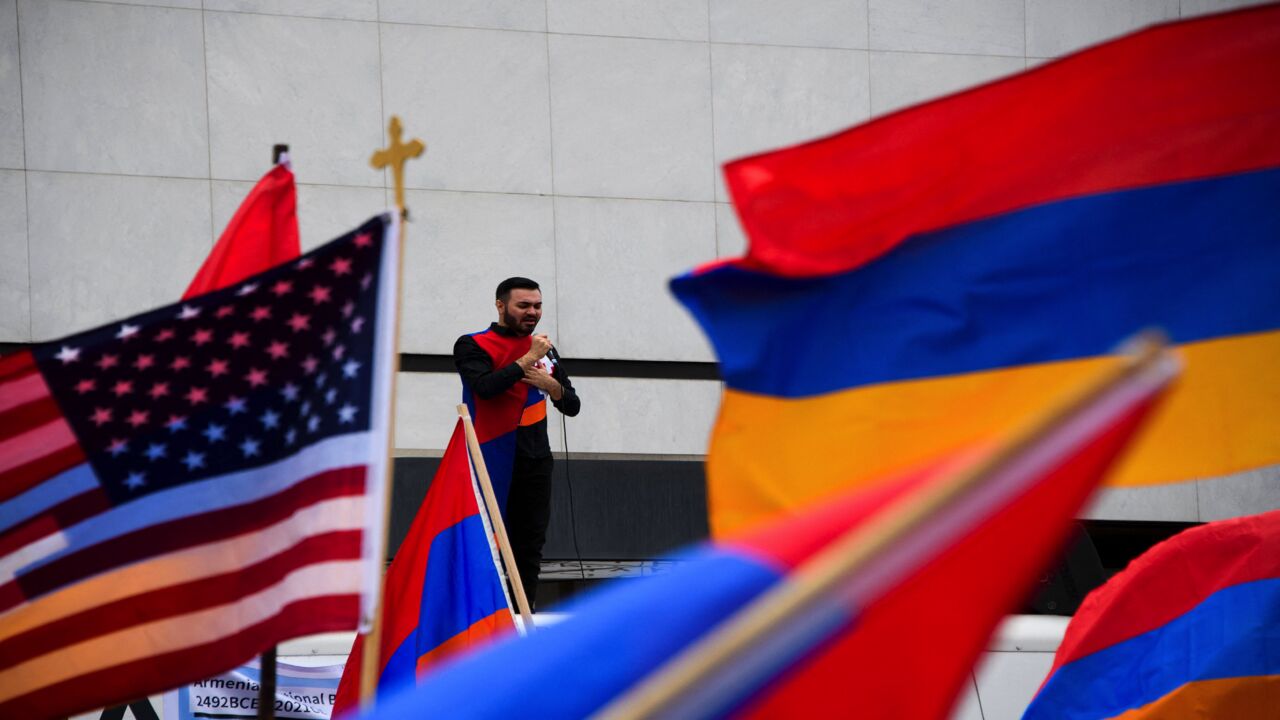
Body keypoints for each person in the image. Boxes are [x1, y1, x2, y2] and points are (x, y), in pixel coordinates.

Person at [453, 277, 580, 609]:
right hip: (491, 455)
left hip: (536, 459)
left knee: (529, 544)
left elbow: (572, 405)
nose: (532, 312)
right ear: (500, 305)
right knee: (486, 542)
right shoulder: (472, 344)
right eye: (523, 305)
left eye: (537, 306)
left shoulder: (544, 349)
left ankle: (525, 613)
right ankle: (483, 614)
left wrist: (551, 385)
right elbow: (485, 387)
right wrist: (527, 359)